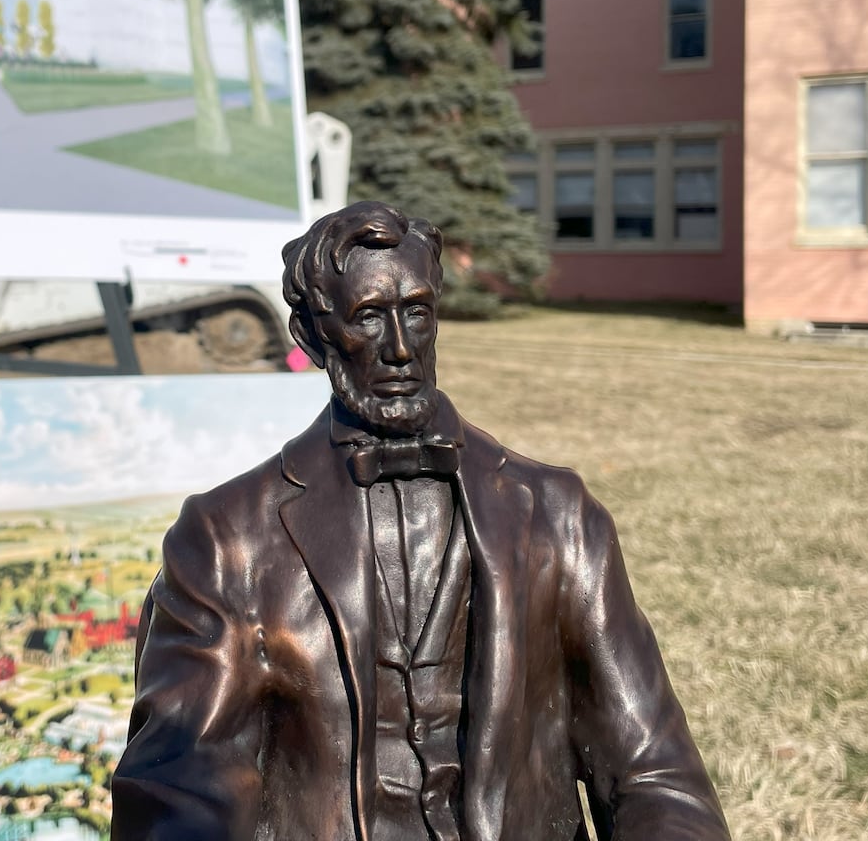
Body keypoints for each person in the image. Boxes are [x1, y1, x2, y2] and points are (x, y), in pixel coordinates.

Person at [112, 202, 729, 841]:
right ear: (311, 335)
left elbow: (654, 774)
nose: (402, 348)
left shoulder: (558, 516)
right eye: (369, 317)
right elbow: (178, 788)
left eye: (417, 312)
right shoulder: (226, 540)